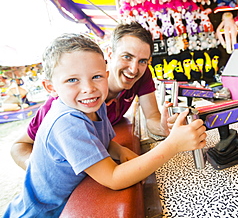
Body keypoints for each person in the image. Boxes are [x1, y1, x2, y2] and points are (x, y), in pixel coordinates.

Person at [3, 33, 206, 217]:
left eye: (96, 77)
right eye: (72, 80)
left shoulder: (94, 104)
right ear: (50, 87)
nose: (88, 88)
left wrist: (122, 152)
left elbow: (106, 142)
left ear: (105, 75)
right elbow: (114, 178)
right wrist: (173, 145)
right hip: (43, 212)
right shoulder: (66, 123)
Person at [11, 22, 174, 170]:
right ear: (109, 53)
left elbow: (152, 116)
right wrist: (40, 171)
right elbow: (20, 145)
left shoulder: (141, 75)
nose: (134, 69)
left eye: (142, 61)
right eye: (127, 57)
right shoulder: (65, 103)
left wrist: (164, 128)